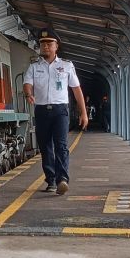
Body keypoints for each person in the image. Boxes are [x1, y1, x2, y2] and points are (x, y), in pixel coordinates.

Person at [23, 28, 88, 195]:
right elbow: (27, 83)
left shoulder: (66, 66)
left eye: (49, 43)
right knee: (45, 147)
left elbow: (76, 89)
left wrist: (83, 113)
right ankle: (51, 180)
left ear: (56, 46)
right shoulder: (34, 67)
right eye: (43, 43)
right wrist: (29, 94)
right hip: (42, 110)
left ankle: (62, 180)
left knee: (61, 145)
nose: (45, 46)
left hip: (60, 111)